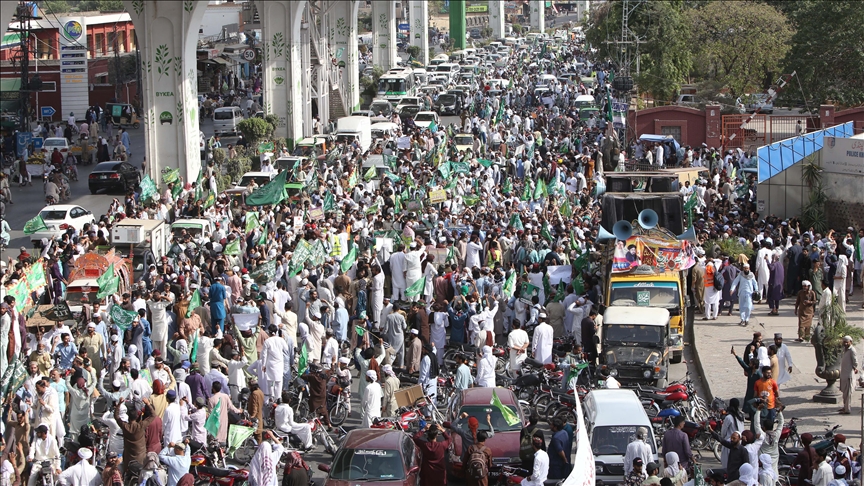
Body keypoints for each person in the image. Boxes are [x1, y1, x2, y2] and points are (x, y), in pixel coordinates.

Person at [719, 398, 746, 468]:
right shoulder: (741, 416)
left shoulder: (729, 417)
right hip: (739, 442)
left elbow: (723, 432)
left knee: (727, 463)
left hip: (730, 442)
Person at [839, 335, 858, 415]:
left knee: (848, 393)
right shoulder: (845, 349)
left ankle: (847, 409)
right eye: (844, 342)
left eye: (847, 342)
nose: (845, 343)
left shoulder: (852, 350)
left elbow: (855, 361)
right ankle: (844, 407)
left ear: (851, 342)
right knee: (844, 393)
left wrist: (855, 368)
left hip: (849, 375)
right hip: (844, 373)